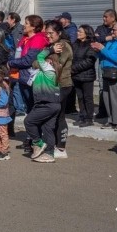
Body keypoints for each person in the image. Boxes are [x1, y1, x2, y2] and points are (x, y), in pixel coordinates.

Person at [24, 48, 62, 163]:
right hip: (53, 105)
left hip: (46, 104)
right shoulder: (45, 73)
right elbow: (35, 64)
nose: (39, 62)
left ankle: (38, 143)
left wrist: (51, 49)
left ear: (49, 62)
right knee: (48, 129)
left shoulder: (48, 70)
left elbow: (40, 57)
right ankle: (49, 154)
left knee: (29, 121)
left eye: (44, 61)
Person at [91, 21, 117, 130]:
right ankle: (111, 119)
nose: (112, 31)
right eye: (112, 29)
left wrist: (102, 48)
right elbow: (105, 55)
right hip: (106, 72)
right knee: (106, 97)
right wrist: (97, 49)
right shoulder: (111, 42)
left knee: (115, 98)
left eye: (114, 30)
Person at [45, 22, 73, 158]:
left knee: (59, 115)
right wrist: (47, 55)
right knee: (52, 115)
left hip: (63, 84)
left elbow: (56, 65)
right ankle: (52, 144)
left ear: (59, 33)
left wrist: (47, 58)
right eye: (47, 33)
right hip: (50, 85)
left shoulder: (64, 46)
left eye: (51, 33)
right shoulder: (50, 47)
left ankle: (61, 148)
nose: (48, 36)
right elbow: (36, 61)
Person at [71, 25, 98, 127]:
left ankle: (89, 118)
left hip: (87, 76)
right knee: (80, 97)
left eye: (80, 32)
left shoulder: (91, 45)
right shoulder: (76, 44)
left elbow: (89, 61)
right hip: (76, 75)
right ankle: (82, 115)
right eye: (78, 31)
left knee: (88, 97)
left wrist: (73, 68)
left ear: (87, 33)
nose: (78, 33)